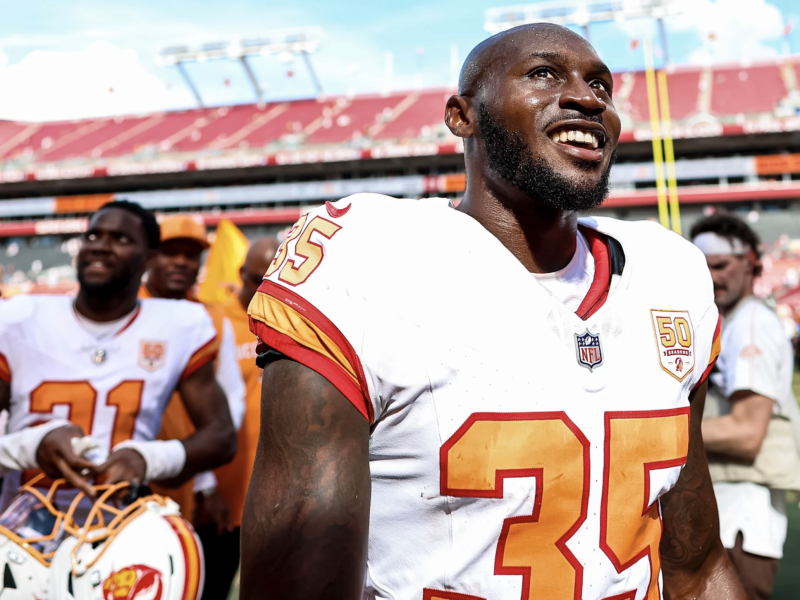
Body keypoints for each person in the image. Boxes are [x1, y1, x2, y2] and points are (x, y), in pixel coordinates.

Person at [241, 24, 745, 599]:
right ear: (462, 116)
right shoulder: (371, 258)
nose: (588, 97)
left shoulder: (667, 272)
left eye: (601, 85)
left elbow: (695, 563)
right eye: (543, 74)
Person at [0, 200, 237, 510]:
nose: (101, 247)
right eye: (93, 236)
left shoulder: (179, 324)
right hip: (21, 529)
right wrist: (30, 447)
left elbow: (221, 436)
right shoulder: (20, 318)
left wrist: (148, 458)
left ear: (149, 258)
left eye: (121, 239)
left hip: (120, 531)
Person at [692, 213, 800, 600]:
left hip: (741, 512)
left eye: (720, 265)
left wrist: (657, 429)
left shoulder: (750, 322)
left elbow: (745, 433)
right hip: (735, 507)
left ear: (751, 262)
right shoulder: (734, 320)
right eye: (703, 267)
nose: (712, 277)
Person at [140, 213, 245, 596]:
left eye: (191, 254)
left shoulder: (213, 318)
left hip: (191, 476)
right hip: (130, 479)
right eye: (171, 252)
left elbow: (231, 400)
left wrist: (206, 479)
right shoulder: (124, 308)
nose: (182, 262)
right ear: (150, 255)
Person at [195, 237, 279, 599]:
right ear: (241, 273)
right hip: (225, 493)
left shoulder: (290, 320)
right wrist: (206, 486)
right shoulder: (211, 321)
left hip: (277, 489)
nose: (263, 290)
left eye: (271, 281)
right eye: (255, 280)